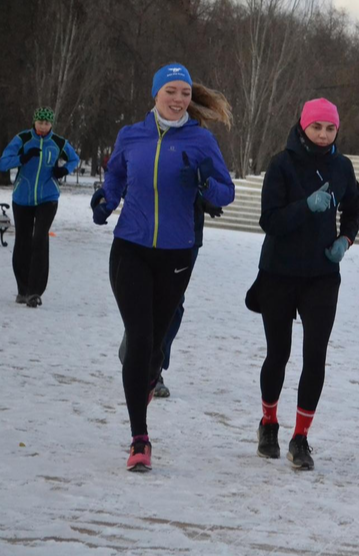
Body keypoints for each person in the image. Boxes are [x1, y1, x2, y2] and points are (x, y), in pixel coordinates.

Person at [91, 63, 235, 472]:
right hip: (130, 248)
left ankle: (150, 375)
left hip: (176, 254)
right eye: (171, 91)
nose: (178, 100)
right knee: (139, 337)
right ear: (155, 93)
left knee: (155, 344)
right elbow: (116, 175)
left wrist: (206, 183)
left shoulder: (200, 140)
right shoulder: (130, 135)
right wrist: (105, 201)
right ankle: (140, 438)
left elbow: (226, 192)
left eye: (185, 93)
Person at [244, 97, 359, 470]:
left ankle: (301, 437)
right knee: (277, 354)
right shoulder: (282, 164)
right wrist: (304, 207)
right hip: (279, 272)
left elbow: (354, 208)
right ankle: (268, 424)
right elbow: (270, 221)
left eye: (330, 128)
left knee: (315, 357)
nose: (324, 135)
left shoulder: (342, 167)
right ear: (303, 126)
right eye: (317, 127)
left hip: (322, 276)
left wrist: (345, 240)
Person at [117, 192, 224, 398]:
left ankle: (152, 367)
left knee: (174, 303)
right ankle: (142, 357)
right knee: (147, 296)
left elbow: (214, 175)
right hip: (150, 227)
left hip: (187, 233)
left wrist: (207, 196)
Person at [0, 107, 81, 307]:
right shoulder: (23, 139)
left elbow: (74, 158)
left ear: (51, 124)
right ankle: (23, 289)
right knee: (23, 241)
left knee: (40, 239)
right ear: (34, 122)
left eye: (47, 123)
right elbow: (2, 163)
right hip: (22, 197)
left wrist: (63, 169)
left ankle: (35, 292)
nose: (43, 126)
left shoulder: (58, 142)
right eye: (40, 122)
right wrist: (22, 158)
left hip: (48, 197)